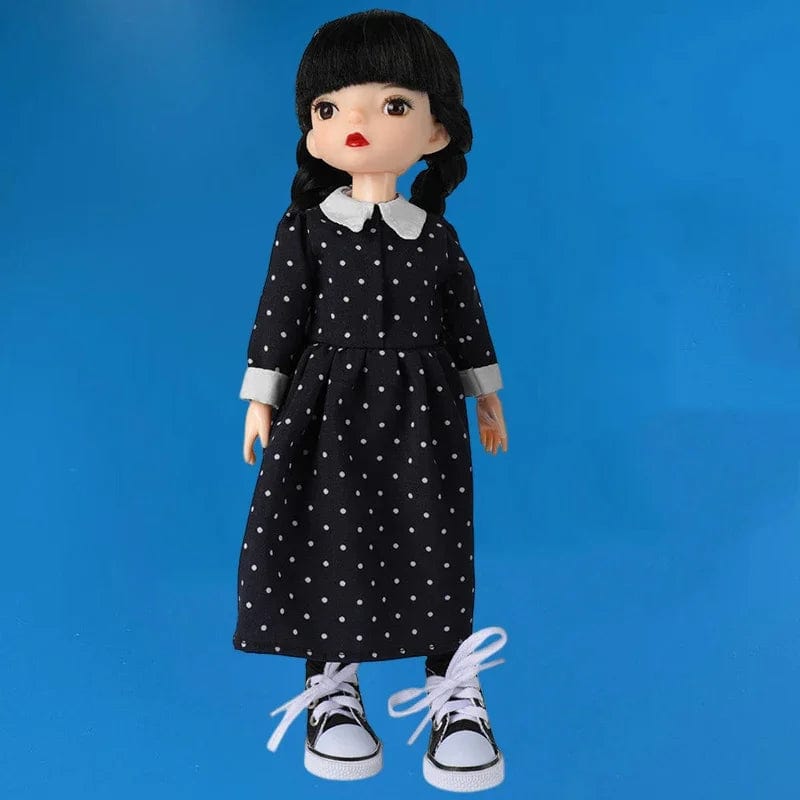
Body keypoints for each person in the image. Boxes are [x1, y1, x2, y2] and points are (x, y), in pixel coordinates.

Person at [233, 9, 511, 792]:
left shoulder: (436, 237)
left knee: (435, 534)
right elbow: (278, 317)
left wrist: (486, 398)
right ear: (312, 130)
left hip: (425, 410)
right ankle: (333, 686)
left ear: (436, 131)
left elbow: (466, 320)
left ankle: (452, 689)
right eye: (329, 108)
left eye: (392, 104)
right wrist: (261, 398)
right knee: (330, 533)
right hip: (325, 407)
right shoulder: (307, 229)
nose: (355, 122)